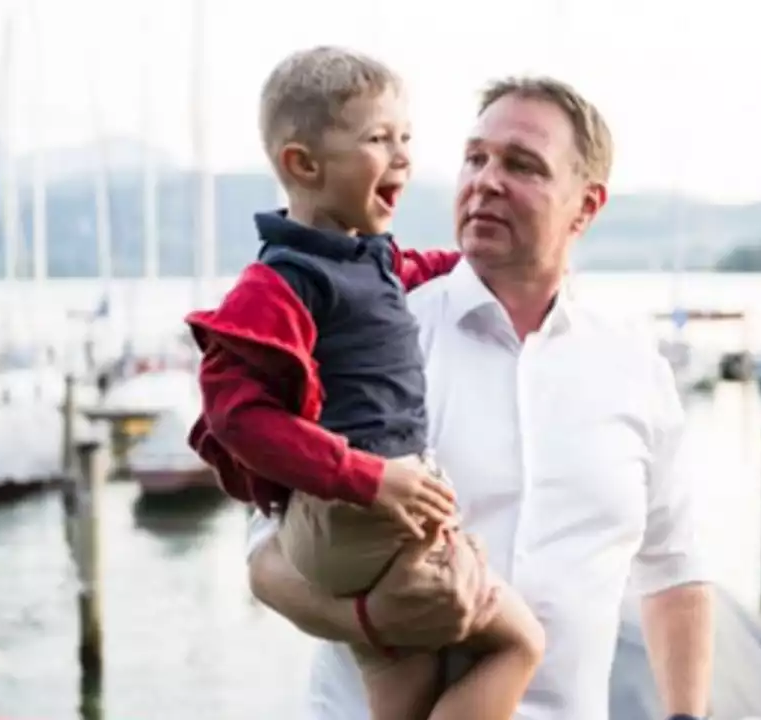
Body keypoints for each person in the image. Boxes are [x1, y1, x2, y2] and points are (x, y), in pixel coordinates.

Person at [246, 74, 715, 720]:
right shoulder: (370, 334)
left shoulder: (637, 371)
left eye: (522, 165)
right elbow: (266, 559)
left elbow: (674, 569)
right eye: (476, 158)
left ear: (586, 206)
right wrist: (368, 618)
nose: (486, 180)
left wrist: (687, 714)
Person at [184, 47, 544, 720]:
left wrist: (467, 259)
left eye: (405, 138)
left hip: (356, 521)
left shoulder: (360, 254)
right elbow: (236, 415)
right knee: (518, 643)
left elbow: (397, 273)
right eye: (379, 139)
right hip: (360, 510)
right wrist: (364, 477)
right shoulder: (282, 280)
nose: (404, 156)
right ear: (303, 165)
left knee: (405, 689)